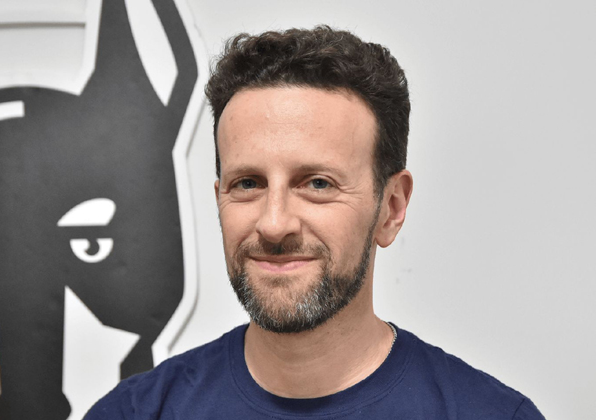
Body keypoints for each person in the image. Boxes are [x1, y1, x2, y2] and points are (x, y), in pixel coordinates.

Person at [85, 26, 545, 419]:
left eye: (318, 183)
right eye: (248, 183)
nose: (274, 224)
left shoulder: (490, 414)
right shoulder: (135, 413)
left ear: (391, 208)